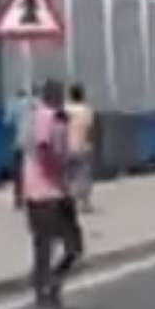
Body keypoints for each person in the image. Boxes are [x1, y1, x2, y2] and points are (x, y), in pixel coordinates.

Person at [22, 80, 83, 309]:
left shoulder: (52, 118)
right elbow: (44, 147)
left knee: (53, 247)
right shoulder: (44, 116)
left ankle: (47, 290)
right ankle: (46, 294)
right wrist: (61, 164)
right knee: (61, 246)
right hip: (46, 193)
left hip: (50, 191)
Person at [65, 84, 96, 213]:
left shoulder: (65, 109)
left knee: (68, 175)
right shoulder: (87, 110)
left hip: (66, 146)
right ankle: (84, 202)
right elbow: (89, 129)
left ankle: (69, 201)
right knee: (83, 175)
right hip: (82, 146)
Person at [5, 88, 35, 209]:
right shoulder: (36, 103)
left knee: (18, 171)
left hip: (20, 141)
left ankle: (18, 198)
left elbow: (7, 121)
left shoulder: (13, 104)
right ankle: (33, 196)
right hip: (34, 142)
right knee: (34, 170)